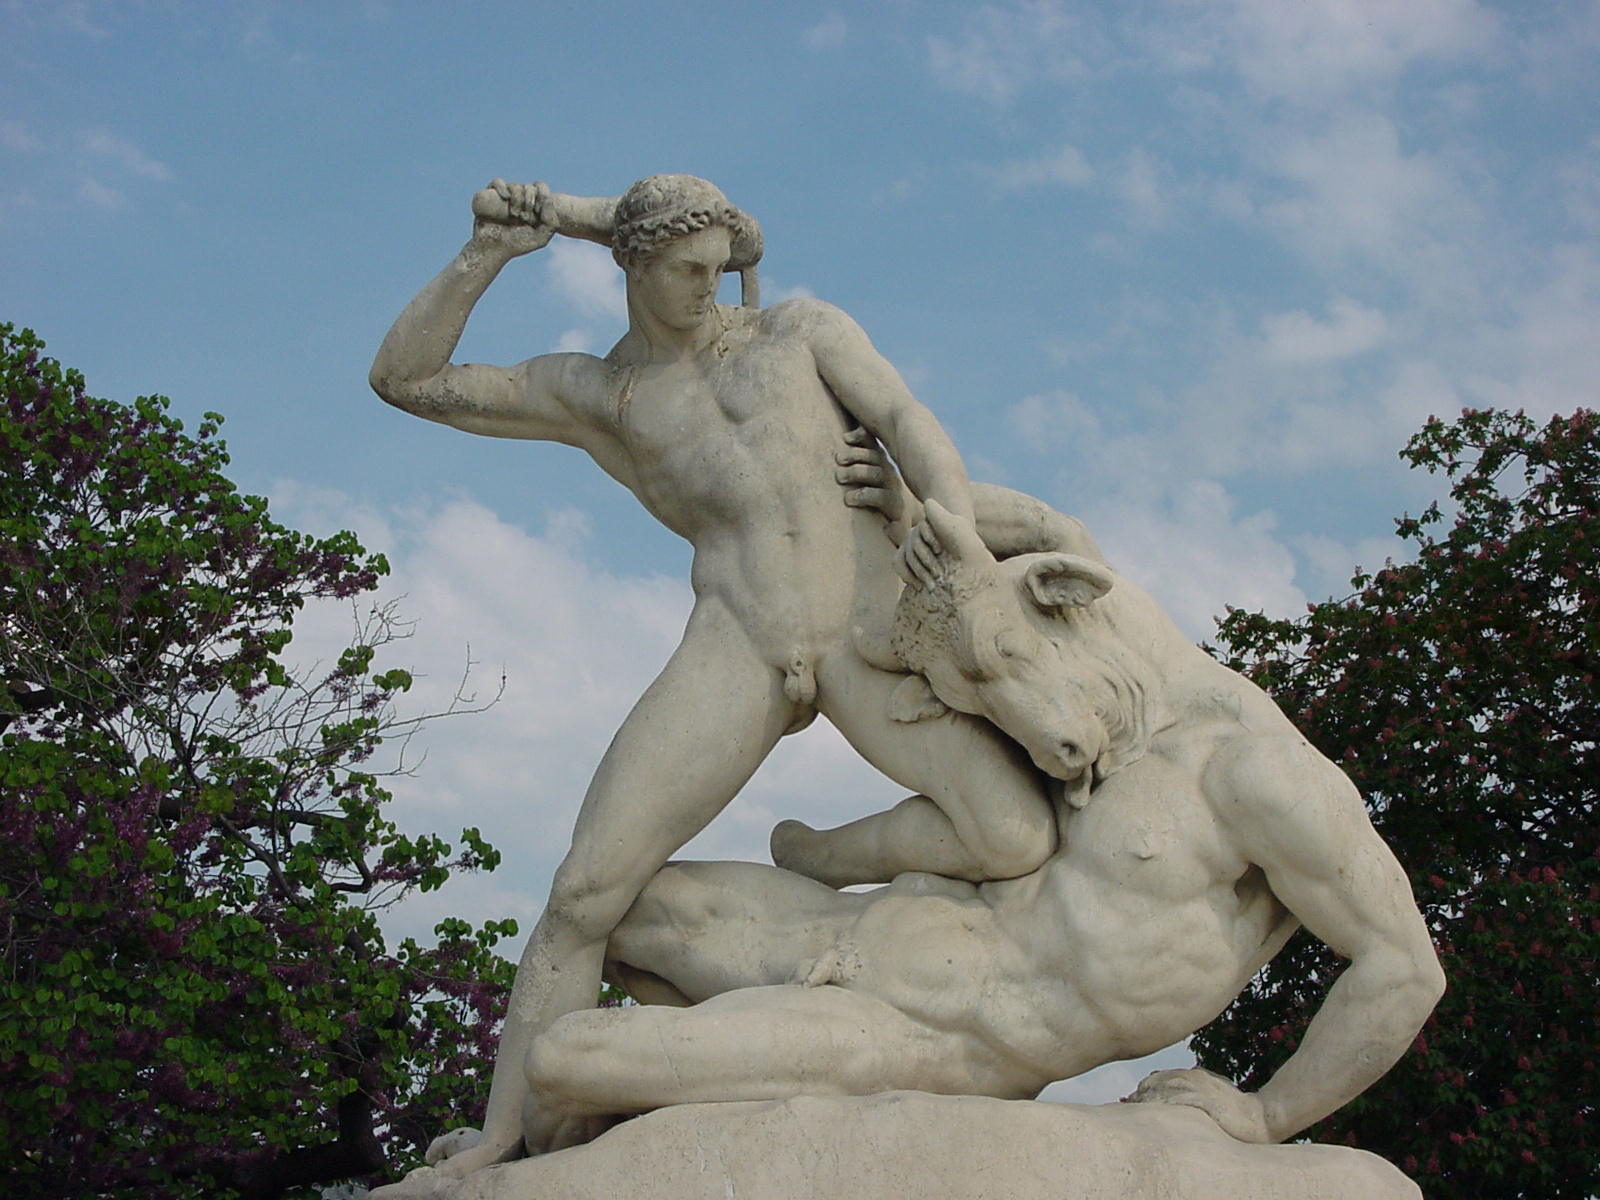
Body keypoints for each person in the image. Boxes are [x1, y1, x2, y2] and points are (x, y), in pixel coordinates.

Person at [367, 175, 1058, 1176]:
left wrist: (941, 515)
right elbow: (406, 380)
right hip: (740, 641)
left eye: (719, 269)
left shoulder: (798, 333)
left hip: (865, 634)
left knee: (1014, 833)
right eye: (686, 270)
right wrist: (488, 256)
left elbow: (907, 417)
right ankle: (507, 1135)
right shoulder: (602, 396)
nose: (707, 287)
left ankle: (817, 859)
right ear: (635, 265)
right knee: (584, 892)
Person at [495, 487, 1445, 1158]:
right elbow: (1041, 530)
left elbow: (1403, 967)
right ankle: (700, 1086)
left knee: (568, 1056)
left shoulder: (1257, 774)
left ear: (1063, 609)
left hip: (929, 1034)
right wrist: (912, 507)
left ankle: (721, 1078)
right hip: (863, 927)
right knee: (619, 907)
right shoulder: (1100, 693)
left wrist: (1267, 1115)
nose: (1018, 721)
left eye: (1003, 669)